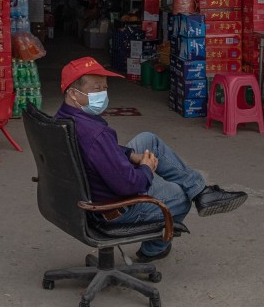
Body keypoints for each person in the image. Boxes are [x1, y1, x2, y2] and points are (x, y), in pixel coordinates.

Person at [55, 56, 248, 262]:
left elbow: (100, 152)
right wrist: (146, 168)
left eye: (105, 87)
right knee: (181, 196)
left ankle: (201, 191)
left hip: (90, 192)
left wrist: (131, 155)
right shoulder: (95, 135)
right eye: (96, 89)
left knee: (148, 140)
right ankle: (153, 249)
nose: (103, 93)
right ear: (73, 94)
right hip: (110, 209)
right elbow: (129, 185)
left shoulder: (64, 118)